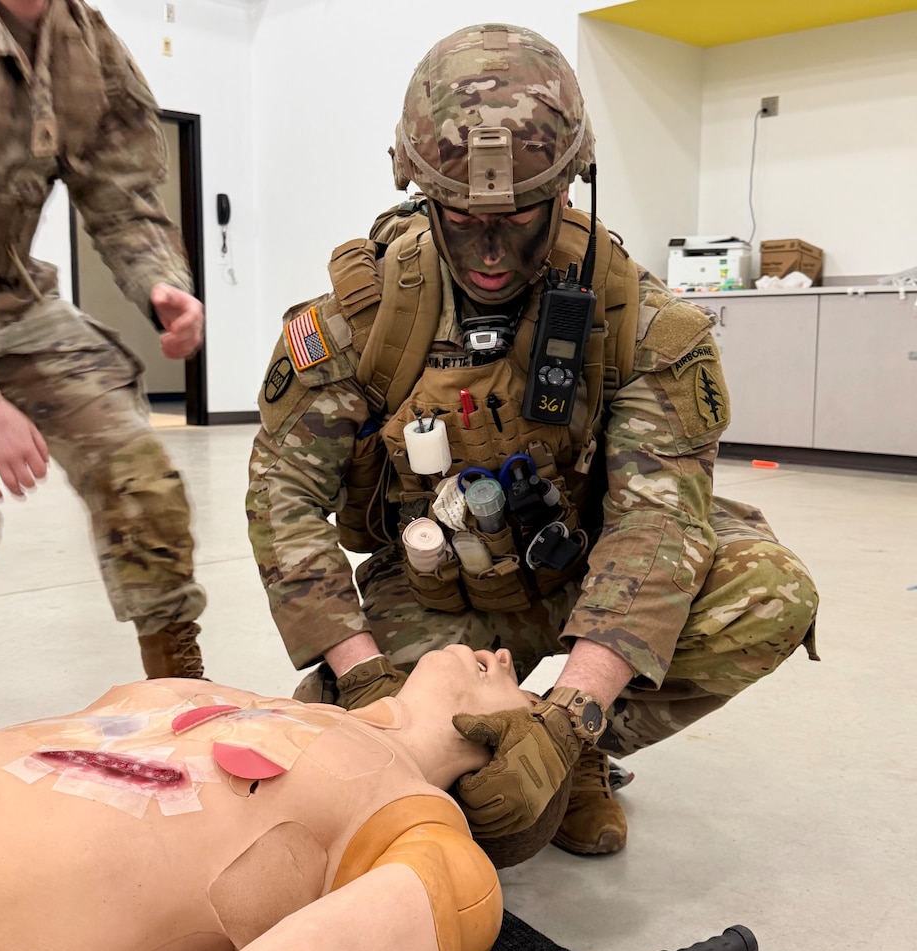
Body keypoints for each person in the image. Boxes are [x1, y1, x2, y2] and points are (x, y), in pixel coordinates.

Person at [246, 23, 819, 859]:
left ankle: (578, 756)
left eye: (516, 218)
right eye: (460, 216)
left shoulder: (644, 326)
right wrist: (368, 679)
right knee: (364, 780)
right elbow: (282, 500)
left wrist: (566, 724)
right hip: (439, 596)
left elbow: (656, 529)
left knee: (768, 591)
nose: (488, 251)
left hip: (589, 571)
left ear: (570, 186)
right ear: (418, 188)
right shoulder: (358, 323)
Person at [0, 645, 553, 951]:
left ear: (512, 761)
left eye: (526, 696)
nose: (503, 657)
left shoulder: (412, 821)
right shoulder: (278, 707)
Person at [0, 0, 207, 679]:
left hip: (12, 303)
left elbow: (123, 193)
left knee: (139, 474)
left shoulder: (85, 43)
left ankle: (177, 687)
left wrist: (160, 284)